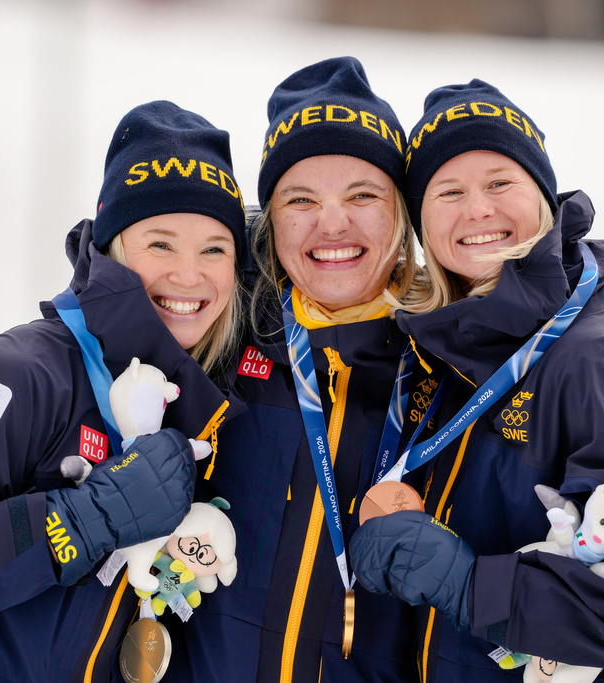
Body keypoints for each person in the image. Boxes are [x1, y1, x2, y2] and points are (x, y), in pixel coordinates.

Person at [0, 100, 249, 683]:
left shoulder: (188, 407)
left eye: (215, 248)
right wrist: (81, 520)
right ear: (113, 247)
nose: (189, 274)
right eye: (161, 243)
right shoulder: (26, 374)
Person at [349, 79, 604, 681]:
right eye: (449, 191)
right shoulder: (449, 347)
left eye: (500, 182)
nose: (478, 209)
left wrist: (473, 587)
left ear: (544, 196)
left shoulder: (600, 360)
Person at [172, 57, 427, 682]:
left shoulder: (453, 363)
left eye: (362, 196)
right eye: (301, 199)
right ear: (270, 219)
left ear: (402, 213)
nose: (331, 224)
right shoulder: (217, 331)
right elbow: (100, 332)